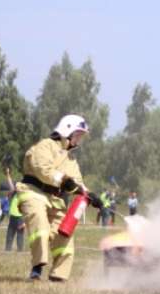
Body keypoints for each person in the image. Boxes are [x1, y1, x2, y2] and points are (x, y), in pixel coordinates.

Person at [16, 114, 103, 282]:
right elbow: (43, 170)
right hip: (33, 192)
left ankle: (58, 275)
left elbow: (77, 181)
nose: (80, 140)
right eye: (78, 135)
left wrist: (90, 195)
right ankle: (37, 268)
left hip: (55, 198)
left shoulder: (71, 159)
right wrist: (65, 182)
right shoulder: (45, 146)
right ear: (67, 131)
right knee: (40, 227)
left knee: (65, 234)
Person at [3, 168, 25, 252]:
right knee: (9, 235)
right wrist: (8, 173)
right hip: (12, 217)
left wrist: (25, 222)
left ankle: (20, 251)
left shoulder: (25, 195)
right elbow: (10, 184)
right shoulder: (14, 193)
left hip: (20, 218)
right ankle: (7, 250)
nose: (17, 187)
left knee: (20, 236)